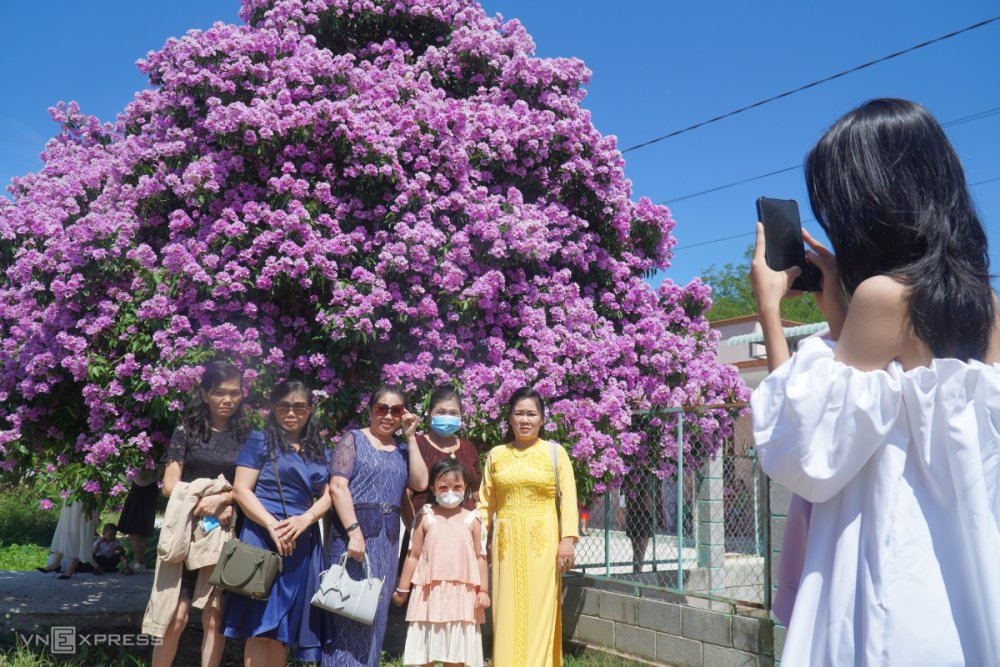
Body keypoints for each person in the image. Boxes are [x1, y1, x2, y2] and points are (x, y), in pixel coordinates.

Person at [750, 98, 1000, 665]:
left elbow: (809, 449)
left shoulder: (883, 296)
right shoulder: (986, 305)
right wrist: (839, 309)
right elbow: (903, 404)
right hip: (967, 586)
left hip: (883, 576)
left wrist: (770, 310)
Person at [146, 360, 250, 667]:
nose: (227, 399)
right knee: (174, 616)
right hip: (187, 532)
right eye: (219, 392)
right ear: (204, 394)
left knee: (216, 616)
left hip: (227, 533)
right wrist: (210, 495)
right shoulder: (186, 431)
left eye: (234, 392)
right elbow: (169, 485)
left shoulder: (247, 435)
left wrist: (227, 500)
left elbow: (252, 487)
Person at [224, 380, 333, 665]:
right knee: (258, 625)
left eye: (299, 406)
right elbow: (242, 490)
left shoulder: (319, 449)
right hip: (262, 537)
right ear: (273, 408)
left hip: (301, 539)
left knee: (283, 628)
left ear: (309, 409)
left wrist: (306, 519)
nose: (291, 412)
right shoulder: (260, 440)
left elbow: (332, 493)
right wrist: (272, 526)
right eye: (284, 406)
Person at [322, 386, 430, 667]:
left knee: (374, 611)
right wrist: (353, 532)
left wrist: (411, 437)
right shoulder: (353, 440)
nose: (388, 416)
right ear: (370, 410)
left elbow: (419, 484)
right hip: (353, 537)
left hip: (387, 541)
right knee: (346, 607)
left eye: (396, 410)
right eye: (382, 408)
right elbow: (337, 487)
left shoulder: (402, 449)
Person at [477, 386, 579, 667]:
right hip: (505, 545)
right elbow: (486, 503)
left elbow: (569, 497)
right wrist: (476, 537)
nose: (525, 420)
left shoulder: (555, 453)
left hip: (543, 544)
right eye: (518, 413)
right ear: (509, 419)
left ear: (542, 419)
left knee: (540, 611)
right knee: (506, 611)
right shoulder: (496, 455)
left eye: (531, 414)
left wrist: (567, 539)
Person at [393, 458, 490, 667]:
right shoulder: (425, 516)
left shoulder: (473, 519)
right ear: (433, 488)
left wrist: (483, 590)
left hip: (462, 596)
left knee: (456, 655)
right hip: (429, 594)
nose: (450, 492)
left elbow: (480, 557)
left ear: (466, 488)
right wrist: (403, 589)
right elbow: (414, 555)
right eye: (443, 487)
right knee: (425, 654)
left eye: (457, 487)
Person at [399, 383, 482, 573]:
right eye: (441, 411)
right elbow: (405, 494)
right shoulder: (416, 445)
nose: (448, 417)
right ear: (429, 413)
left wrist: (480, 530)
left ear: (461, 415)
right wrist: (416, 529)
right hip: (426, 534)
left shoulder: (469, 448)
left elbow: (477, 492)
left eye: (453, 413)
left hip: (464, 536)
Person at [37, 500, 99, 579]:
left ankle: (71, 568)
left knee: (77, 530)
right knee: (64, 528)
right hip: (70, 498)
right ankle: (56, 563)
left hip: (85, 499)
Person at [117, 470, 159, 573]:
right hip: (142, 490)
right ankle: (139, 562)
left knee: (136, 530)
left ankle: (139, 563)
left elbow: (142, 478)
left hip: (142, 490)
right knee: (136, 530)